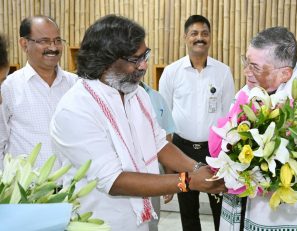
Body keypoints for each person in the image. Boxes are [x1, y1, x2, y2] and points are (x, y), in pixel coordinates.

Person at [49, 14, 226, 231]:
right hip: (101, 221)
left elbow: (159, 143)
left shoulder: (136, 94)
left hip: (142, 217)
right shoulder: (76, 109)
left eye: (145, 55)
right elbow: (114, 181)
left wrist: (200, 168)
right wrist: (188, 181)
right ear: (106, 61)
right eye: (135, 59)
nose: (143, 65)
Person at [214, 26, 297, 231]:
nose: (246, 71)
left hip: (284, 217)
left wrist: (274, 185)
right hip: (241, 211)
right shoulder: (246, 94)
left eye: (255, 67)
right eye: (246, 61)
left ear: (285, 74)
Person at [159, 15, 235, 231]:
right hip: (181, 151)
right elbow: (164, 120)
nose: (199, 38)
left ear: (210, 38)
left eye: (204, 33)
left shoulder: (223, 72)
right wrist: (167, 168)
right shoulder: (171, 72)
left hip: (215, 153)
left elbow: (230, 116)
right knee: (187, 209)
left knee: (220, 205)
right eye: (194, 33)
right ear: (185, 37)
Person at [0, 16, 77, 169]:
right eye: (44, 41)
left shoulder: (76, 85)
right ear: (24, 44)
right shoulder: (8, 87)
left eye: (57, 40)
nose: (53, 47)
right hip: (26, 189)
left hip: (72, 187)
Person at [139, 81, 176, 231]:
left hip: (153, 171)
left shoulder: (157, 98)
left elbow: (166, 139)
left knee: (152, 222)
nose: (142, 66)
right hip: (122, 174)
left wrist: (169, 179)